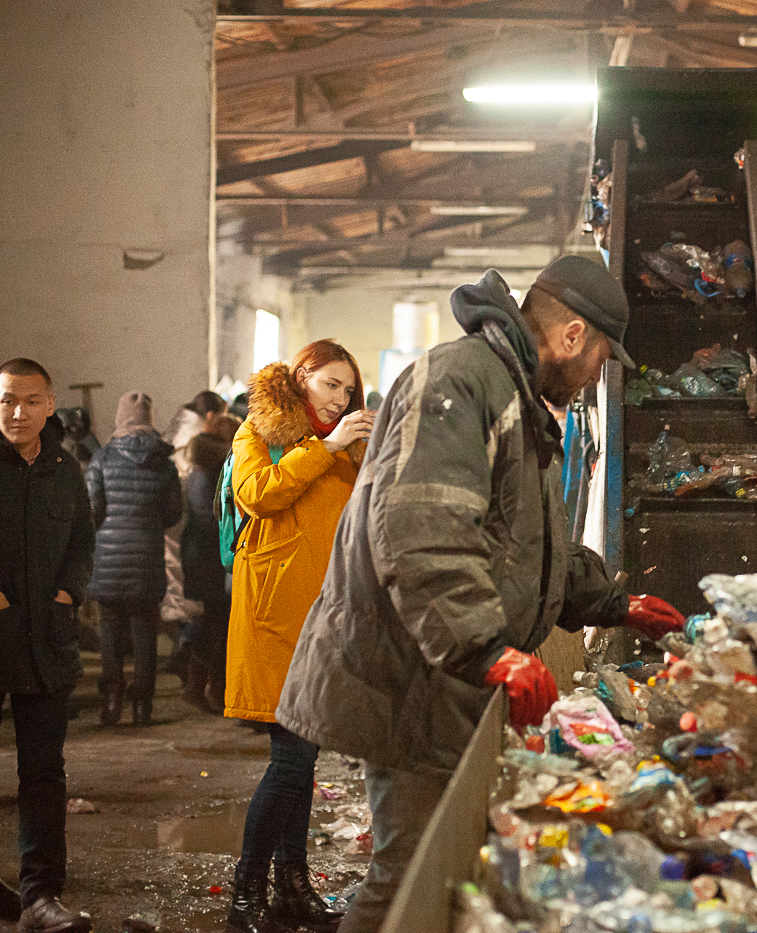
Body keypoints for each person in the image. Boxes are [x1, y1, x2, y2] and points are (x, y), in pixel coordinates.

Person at [277, 256, 688, 933]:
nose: (595, 378)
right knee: (408, 871)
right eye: (602, 359)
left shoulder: (515, 398)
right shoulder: (461, 381)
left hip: (444, 674)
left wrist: (616, 602)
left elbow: (530, 545)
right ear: (572, 334)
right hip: (411, 675)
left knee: (434, 868)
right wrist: (487, 647)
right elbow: (419, 529)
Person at [223, 340, 375, 933]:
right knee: (290, 762)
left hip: (328, 618)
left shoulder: (354, 444)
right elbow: (255, 494)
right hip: (274, 620)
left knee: (302, 760)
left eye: (347, 389)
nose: (339, 399)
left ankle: (291, 886)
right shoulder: (258, 431)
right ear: (301, 377)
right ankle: (245, 896)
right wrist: (325, 447)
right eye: (329, 384)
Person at [0, 358, 96, 933]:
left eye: (30, 401)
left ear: (50, 404)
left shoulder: (63, 467)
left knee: (42, 773)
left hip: (47, 643)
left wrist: (68, 593)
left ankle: (40, 896)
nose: (17, 412)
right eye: (7, 399)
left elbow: (84, 540)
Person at [85, 392, 182, 727]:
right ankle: (143, 706)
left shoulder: (101, 458)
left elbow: (92, 511)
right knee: (145, 636)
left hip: (108, 563)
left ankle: (111, 701)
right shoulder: (164, 463)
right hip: (146, 562)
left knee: (109, 634)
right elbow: (172, 514)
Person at [179, 413, 240, 713]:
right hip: (216, 553)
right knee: (220, 624)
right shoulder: (223, 466)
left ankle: (203, 686)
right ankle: (211, 689)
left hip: (197, 551)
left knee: (211, 622)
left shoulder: (198, 466)